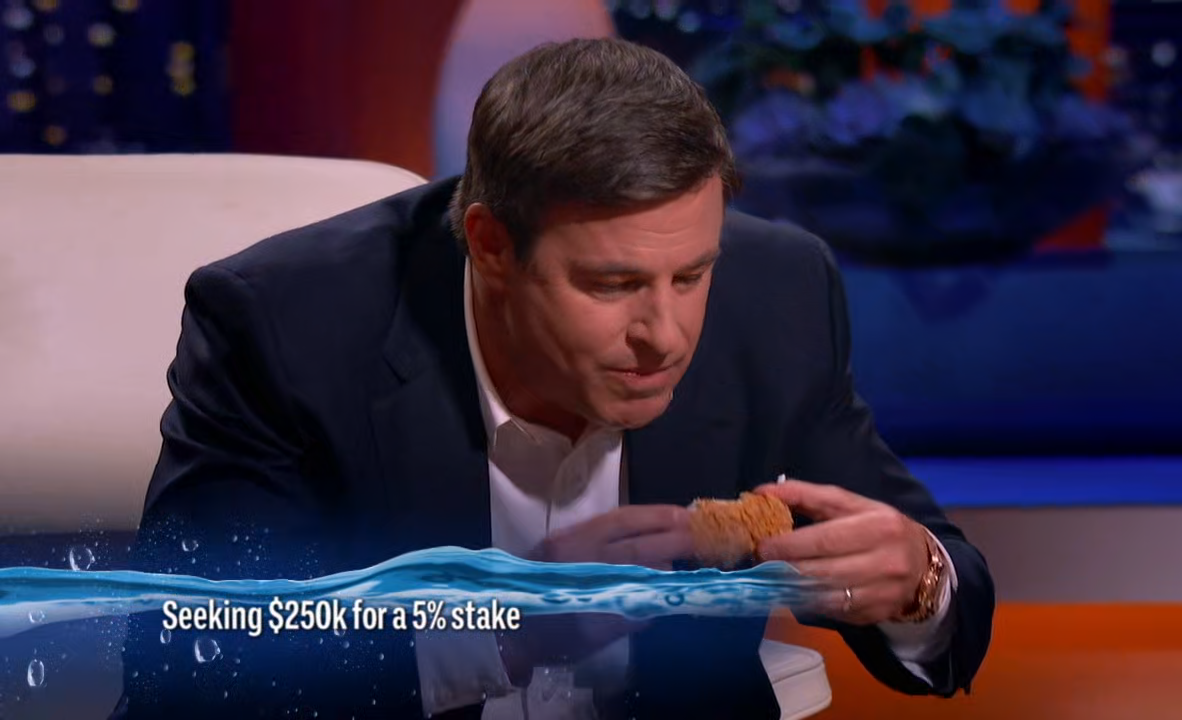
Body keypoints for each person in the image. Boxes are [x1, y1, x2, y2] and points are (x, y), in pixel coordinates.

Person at [114, 37, 994, 720]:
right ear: (491, 245)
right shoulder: (285, 327)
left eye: (691, 276)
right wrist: (497, 634)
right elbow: (190, 662)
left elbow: (946, 586)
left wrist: (918, 582)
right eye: (612, 284)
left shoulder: (778, 297)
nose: (665, 336)